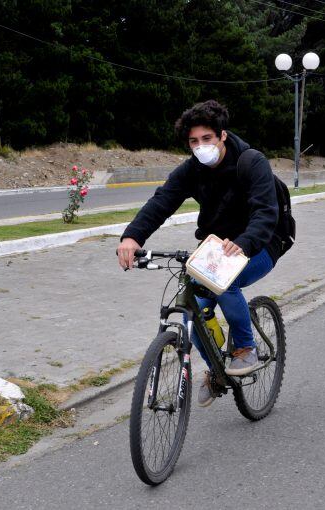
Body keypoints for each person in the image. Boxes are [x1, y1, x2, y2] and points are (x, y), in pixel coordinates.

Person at [116, 99, 282, 407]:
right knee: (195, 304)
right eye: (193, 141)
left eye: (207, 138)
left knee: (221, 279)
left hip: (263, 242)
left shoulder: (251, 161)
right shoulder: (192, 170)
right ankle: (218, 371)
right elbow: (161, 202)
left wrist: (245, 241)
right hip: (216, 247)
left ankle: (246, 347)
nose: (200, 145)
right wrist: (131, 237)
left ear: (222, 135)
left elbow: (265, 211)